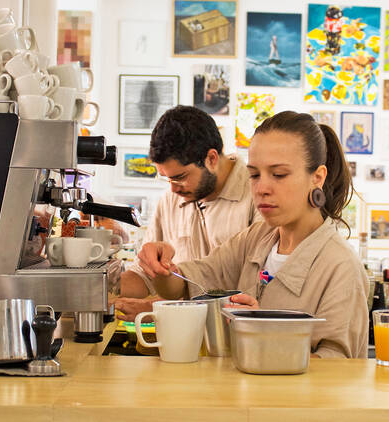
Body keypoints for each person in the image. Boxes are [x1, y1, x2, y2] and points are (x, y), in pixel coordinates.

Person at [138, 111, 369, 358]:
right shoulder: (256, 238)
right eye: (255, 175)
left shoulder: (341, 267)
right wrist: (161, 267)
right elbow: (188, 283)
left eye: (279, 174)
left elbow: (338, 370)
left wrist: (261, 332)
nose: (261, 189)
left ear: (317, 177)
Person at [113, 106, 259, 319]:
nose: (172, 188)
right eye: (166, 178)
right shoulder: (171, 200)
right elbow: (144, 276)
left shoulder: (258, 197)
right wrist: (100, 285)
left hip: (235, 335)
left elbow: (257, 289)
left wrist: (157, 308)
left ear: (211, 158)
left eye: (180, 177)